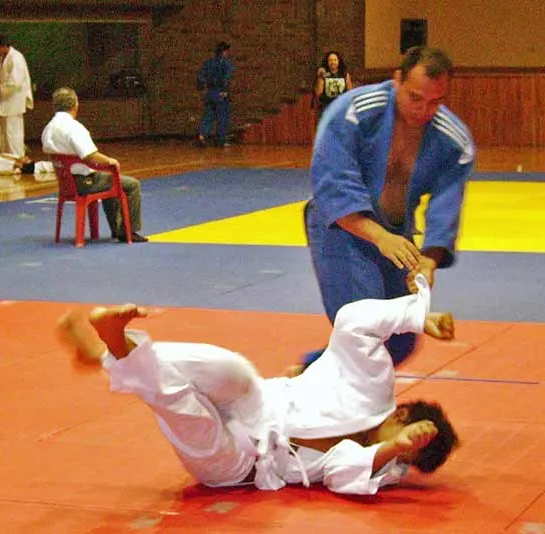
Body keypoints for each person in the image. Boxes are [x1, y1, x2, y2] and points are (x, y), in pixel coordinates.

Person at [57, 274, 459, 494]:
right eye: (408, 445)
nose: (401, 462)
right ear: (401, 412)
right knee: (227, 366)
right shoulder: (373, 383)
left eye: (408, 462)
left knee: (188, 415)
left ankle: (112, 348)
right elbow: (353, 322)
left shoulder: (388, 462)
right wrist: (414, 317)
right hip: (257, 400)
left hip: (242, 464)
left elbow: (339, 474)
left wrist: (394, 448)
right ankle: (109, 353)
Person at [296, 46, 475, 375]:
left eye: (436, 101)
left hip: (397, 234)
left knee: (402, 339)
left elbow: (446, 204)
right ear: (396, 80)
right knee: (367, 328)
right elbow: (333, 183)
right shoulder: (353, 112)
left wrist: (429, 258)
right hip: (342, 228)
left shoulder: (452, 141)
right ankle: (340, 415)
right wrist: (378, 236)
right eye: (415, 97)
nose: (423, 109)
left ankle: (307, 376)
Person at [41, 87, 147, 243]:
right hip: (85, 182)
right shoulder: (73, 127)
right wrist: (111, 161)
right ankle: (128, 230)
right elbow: (90, 155)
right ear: (75, 105)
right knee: (131, 184)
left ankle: (119, 229)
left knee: (109, 181)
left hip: (66, 183)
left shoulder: (48, 128)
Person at [0, 35, 33, 159]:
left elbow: (16, 81)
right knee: (5, 131)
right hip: (7, 99)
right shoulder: (4, 57)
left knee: (13, 131)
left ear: (4, 46)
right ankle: (6, 157)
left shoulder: (16, 58)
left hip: (13, 99)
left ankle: (17, 158)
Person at [196, 41, 234, 147]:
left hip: (209, 93)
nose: (229, 53)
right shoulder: (227, 63)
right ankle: (221, 140)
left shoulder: (208, 63)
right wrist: (225, 91)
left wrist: (202, 90)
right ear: (224, 52)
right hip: (220, 93)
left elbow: (200, 78)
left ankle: (202, 136)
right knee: (223, 116)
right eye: (227, 51)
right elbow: (226, 78)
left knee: (208, 115)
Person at [314, 51, 353, 117]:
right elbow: (318, 93)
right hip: (326, 108)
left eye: (335, 60)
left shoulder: (345, 74)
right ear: (327, 62)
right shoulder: (323, 74)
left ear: (338, 61)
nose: (333, 62)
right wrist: (320, 77)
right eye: (330, 60)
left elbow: (350, 92)